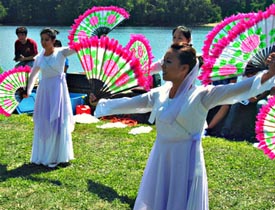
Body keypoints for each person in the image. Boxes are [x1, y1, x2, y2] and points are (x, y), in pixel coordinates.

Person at [94, 42, 275, 209]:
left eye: (168, 62)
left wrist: (269, 73)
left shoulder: (202, 95)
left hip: (186, 160)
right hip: (161, 156)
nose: (162, 66)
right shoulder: (160, 94)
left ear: (184, 69)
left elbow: (238, 89)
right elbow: (132, 103)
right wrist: (101, 103)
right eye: (164, 61)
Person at [25, 28, 76, 168]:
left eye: (47, 40)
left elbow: (78, 48)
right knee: (44, 121)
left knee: (59, 121)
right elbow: (33, 75)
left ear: (53, 41)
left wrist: (95, 39)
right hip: (44, 91)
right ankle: (44, 154)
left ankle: (60, 156)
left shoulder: (61, 52)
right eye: (42, 39)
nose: (44, 42)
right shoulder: (39, 57)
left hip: (58, 90)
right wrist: (28, 91)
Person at [220, 68, 270, 142]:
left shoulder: (265, 73)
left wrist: (257, 98)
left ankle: (259, 135)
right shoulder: (243, 73)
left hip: (260, 97)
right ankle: (226, 132)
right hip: (247, 96)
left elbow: (267, 90)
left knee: (261, 104)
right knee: (235, 103)